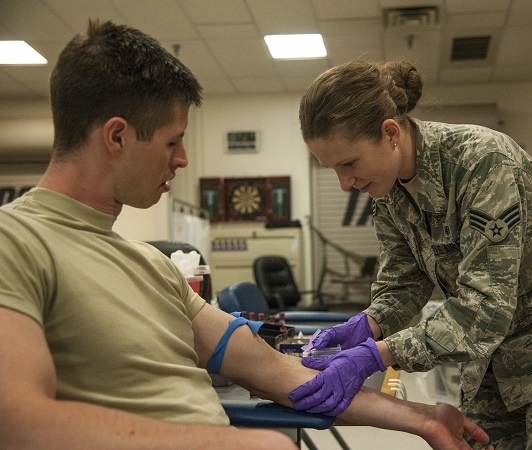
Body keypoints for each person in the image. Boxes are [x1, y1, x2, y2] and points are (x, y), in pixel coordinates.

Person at [0, 22, 493, 450]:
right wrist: (240, 443)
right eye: (173, 141)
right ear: (116, 136)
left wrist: (425, 418)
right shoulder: (15, 242)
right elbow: (17, 426)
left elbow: (273, 372)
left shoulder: (148, 265)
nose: (184, 159)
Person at [289, 60, 532, 449]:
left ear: (390, 132)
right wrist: (369, 324)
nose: (345, 184)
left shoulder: (483, 161)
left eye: (349, 164)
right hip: (494, 363)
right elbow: (403, 284)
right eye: (332, 169)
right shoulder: (388, 192)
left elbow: (485, 308)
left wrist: (376, 355)